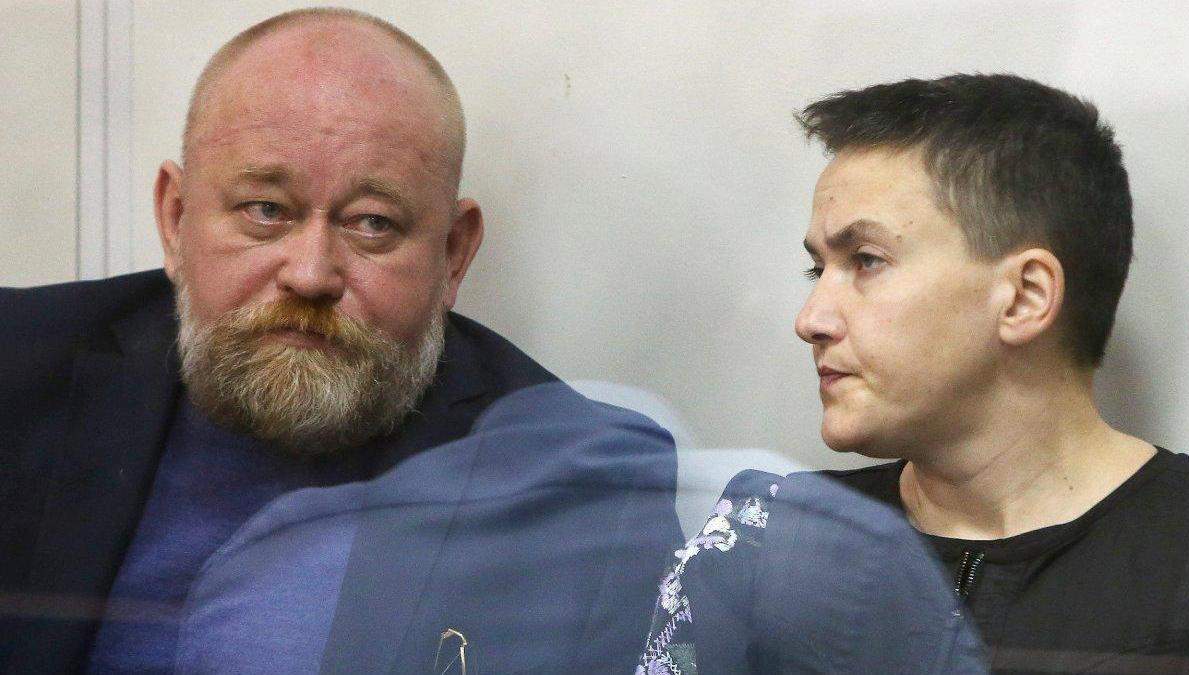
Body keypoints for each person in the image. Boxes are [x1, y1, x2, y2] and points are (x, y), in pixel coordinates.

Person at [0, 8, 679, 673]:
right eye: (266, 210)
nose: (311, 274)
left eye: (372, 222)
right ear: (176, 219)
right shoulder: (15, 368)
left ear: (453, 253)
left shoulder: (578, 491)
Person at [794, 74, 1189, 671]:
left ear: (1024, 297)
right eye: (818, 270)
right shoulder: (782, 539)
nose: (810, 320)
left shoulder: (1186, 562)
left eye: (867, 261)